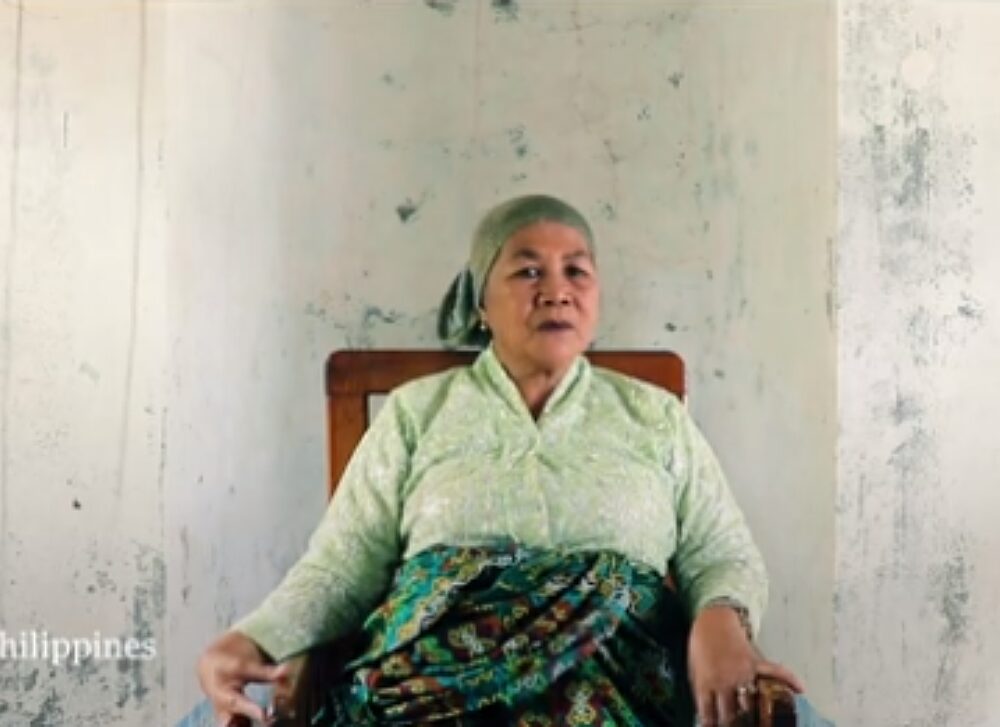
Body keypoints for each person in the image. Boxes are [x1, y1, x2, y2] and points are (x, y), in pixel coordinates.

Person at [197, 194, 805, 726]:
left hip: (618, 685)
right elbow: (341, 566)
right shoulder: (417, 413)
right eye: (528, 271)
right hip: (429, 689)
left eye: (576, 271)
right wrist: (252, 639)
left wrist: (721, 619)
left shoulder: (654, 416)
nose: (557, 289)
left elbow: (721, 551)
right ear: (480, 303)